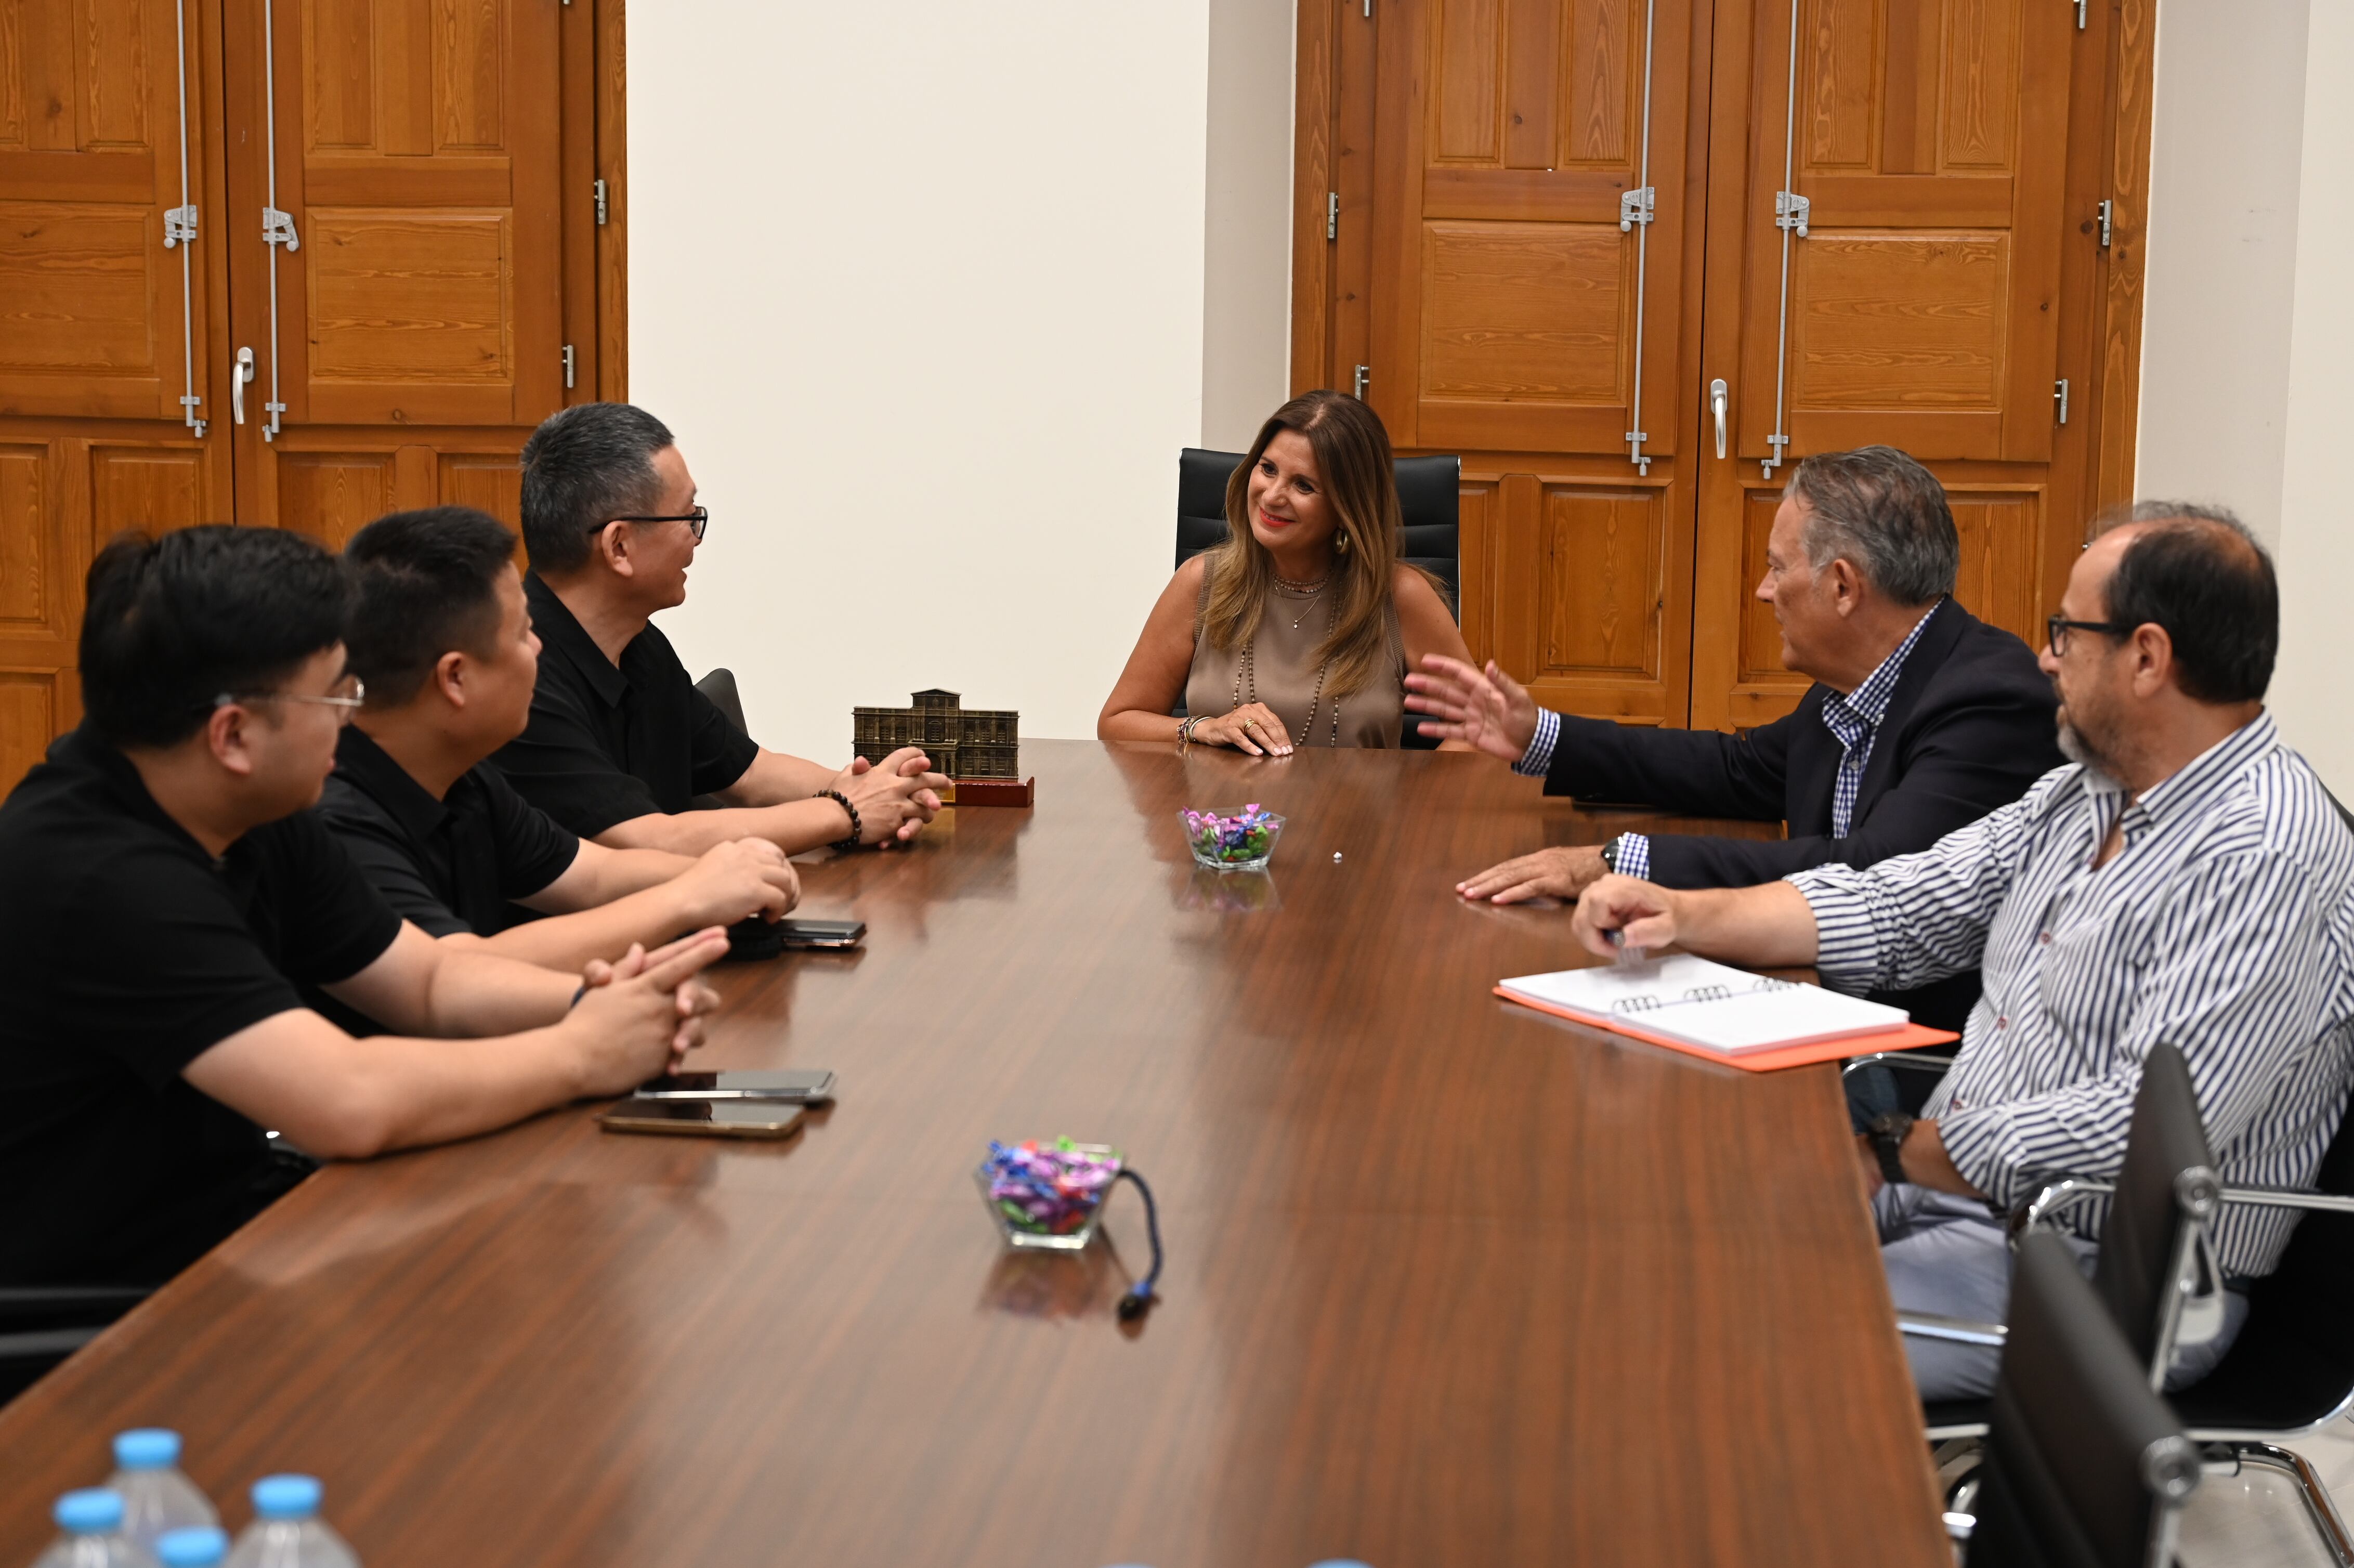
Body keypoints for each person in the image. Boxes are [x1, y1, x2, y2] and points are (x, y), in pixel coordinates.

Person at [1564, 504, 2354, 1400]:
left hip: (2112, 1275)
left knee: (1725, 1344)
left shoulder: (2264, 856)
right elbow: (1902, 903)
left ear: (2145, 656)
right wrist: (1678, 913)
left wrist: (1890, 1150)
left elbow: (2140, 1128)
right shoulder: (2084, 793)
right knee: (1660, 1242)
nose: (2044, 657)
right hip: (1970, 1202)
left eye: (2064, 631)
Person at [0, 526, 728, 1288]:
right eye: (333, 694)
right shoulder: (103, 876)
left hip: (231, 1233)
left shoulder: (253, 810)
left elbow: (428, 985)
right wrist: (582, 1050)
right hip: (101, 1310)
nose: (352, 717)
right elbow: (345, 1101)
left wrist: (605, 1003)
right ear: (234, 734)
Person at [1411, 446, 2059, 1027]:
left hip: (1905, 1052)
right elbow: (1741, 769)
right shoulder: (1865, 676)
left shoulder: (1986, 699)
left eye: (1778, 569)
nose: (1763, 591)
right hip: (1811, 997)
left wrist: (1618, 863)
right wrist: (1540, 736)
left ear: (1841, 586)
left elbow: (1871, 870)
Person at [323, 506, 804, 980]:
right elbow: (453, 974)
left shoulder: (467, 781)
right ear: (456, 678)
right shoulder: (338, 818)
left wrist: (729, 869)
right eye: (522, 634)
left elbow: (592, 876)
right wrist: (688, 896)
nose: (538, 648)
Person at [491, 402, 946, 854]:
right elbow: (642, 839)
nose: (696, 536)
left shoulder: (639, 645)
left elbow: (748, 773)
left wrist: (878, 791)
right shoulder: (519, 679)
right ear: (620, 547)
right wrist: (845, 810)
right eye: (688, 517)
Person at [1098, 390, 1476, 753]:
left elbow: (1479, 729)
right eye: (1268, 469)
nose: (1273, 495)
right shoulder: (1200, 582)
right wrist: (1201, 728)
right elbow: (1118, 723)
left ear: (1348, 508)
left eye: (1304, 485)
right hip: (1226, 817)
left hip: (1358, 819)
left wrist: (1417, 806)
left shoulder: (1400, 596)